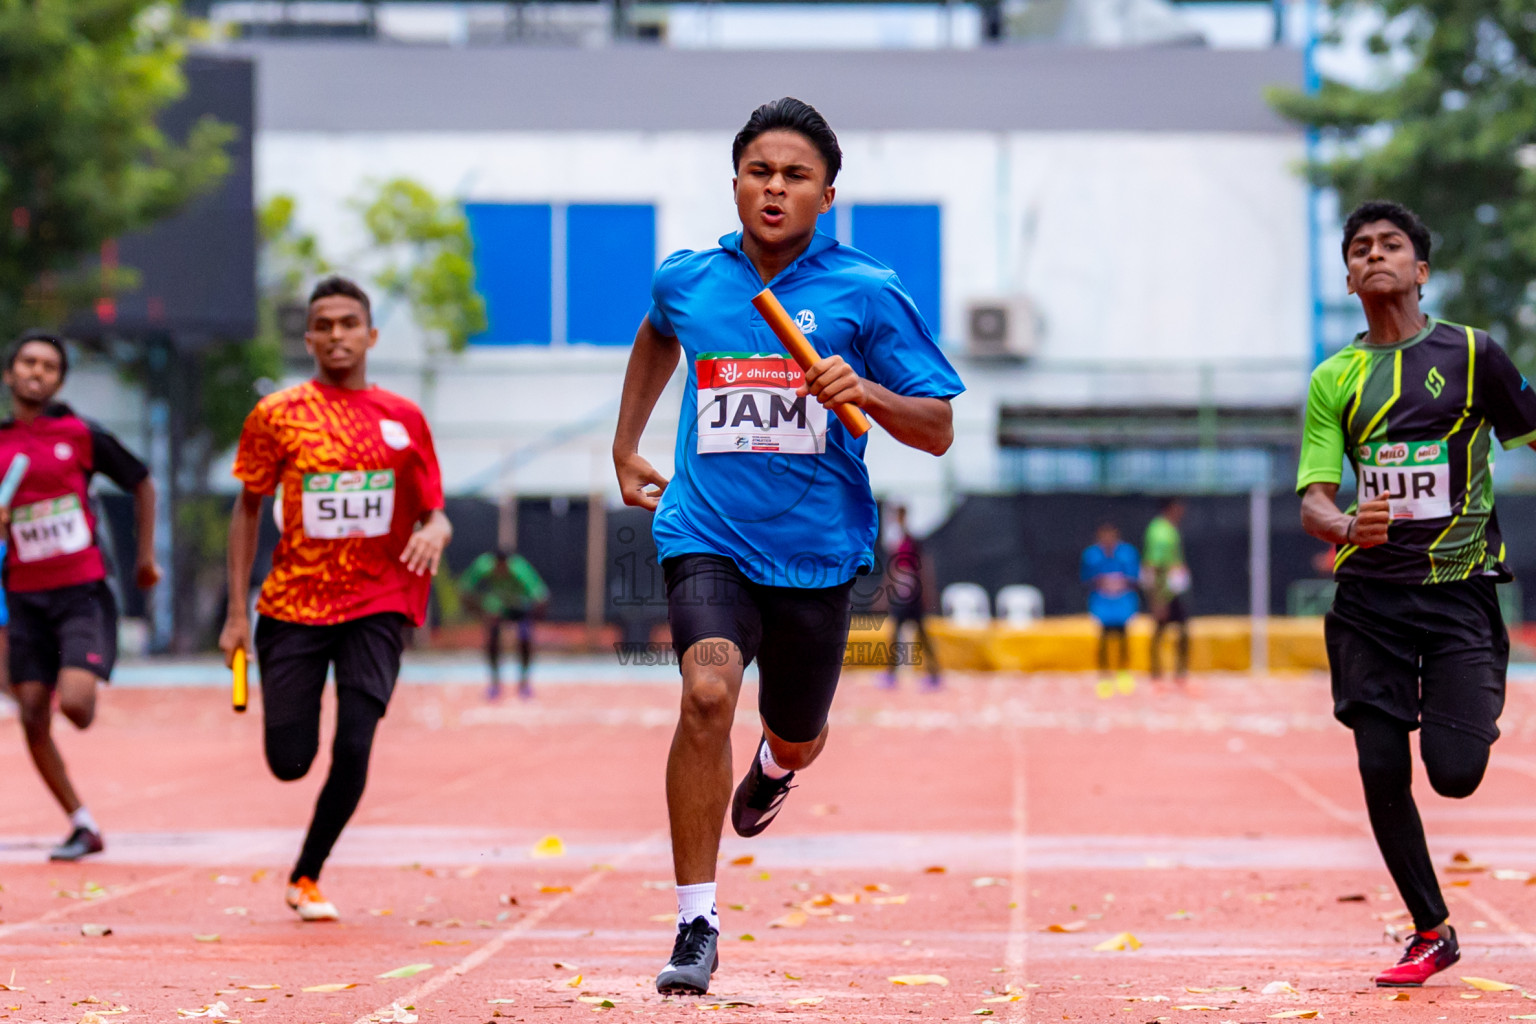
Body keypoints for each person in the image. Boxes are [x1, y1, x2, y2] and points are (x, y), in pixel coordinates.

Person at [612, 97, 963, 995]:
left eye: (795, 175)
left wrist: (870, 392)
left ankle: (774, 769)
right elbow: (658, 332)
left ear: (827, 195)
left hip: (815, 553)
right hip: (706, 533)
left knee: (797, 734)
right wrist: (626, 444)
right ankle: (696, 922)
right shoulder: (690, 278)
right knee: (704, 690)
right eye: (759, 171)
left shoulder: (867, 293)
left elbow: (938, 430)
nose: (774, 188)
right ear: (735, 183)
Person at [1298, 200, 1536, 987]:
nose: (1374, 256)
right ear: (1347, 275)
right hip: (1369, 601)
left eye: (1390, 245)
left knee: (1455, 771)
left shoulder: (1473, 356)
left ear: (1421, 271)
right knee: (1377, 765)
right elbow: (1313, 501)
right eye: (1359, 248)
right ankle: (1431, 928)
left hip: (1460, 592)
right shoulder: (1335, 378)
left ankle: (1464, 701)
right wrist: (1344, 526)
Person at [219, 277, 451, 922]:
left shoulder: (404, 419)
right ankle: (302, 832)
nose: (337, 335)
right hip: (293, 604)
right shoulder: (277, 416)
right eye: (324, 324)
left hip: (378, 602)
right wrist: (238, 614)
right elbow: (247, 509)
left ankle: (307, 874)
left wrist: (434, 530)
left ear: (371, 335)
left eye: (350, 323)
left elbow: (436, 513)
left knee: (354, 744)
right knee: (290, 761)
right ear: (309, 338)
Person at [0, 330, 161, 861]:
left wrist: (144, 558)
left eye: (48, 366)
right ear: (10, 373)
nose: (36, 372)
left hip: (80, 591)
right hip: (23, 596)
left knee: (76, 705)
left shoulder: (81, 434)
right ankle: (81, 821)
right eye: (28, 362)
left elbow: (141, 480)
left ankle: (67, 679)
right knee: (29, 713)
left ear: (60, 380)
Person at [459, 545, 549, 700]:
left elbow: (541, 596)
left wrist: (533, 616)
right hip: (497, 606)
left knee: (525, 639)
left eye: (504, 568)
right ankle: (495, 684)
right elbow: (464, 589)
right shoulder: (483, 566)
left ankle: (524, 683)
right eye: (498, 568)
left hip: (520, 605)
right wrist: (480, 608)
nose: (501, 571)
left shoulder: (519, 569)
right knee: (492, 640)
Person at [879, 504, 940, 691]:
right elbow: (893, 570)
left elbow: (922, 569)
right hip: (901, 596)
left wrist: (927, 594)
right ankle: (891, 674)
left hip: (913, 597)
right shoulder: (896, 542)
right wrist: (886, 594)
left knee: (921, 635)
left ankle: (933, 674)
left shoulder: (911, 541)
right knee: (895, 635)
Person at [1080, 522, 1139, 696]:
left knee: (1123, 638)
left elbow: (1134, 577)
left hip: (1122, 602)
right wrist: (1102, 582)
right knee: (1104, 639)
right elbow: (1086, 578)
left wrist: (1119, 583)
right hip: (1102, 603)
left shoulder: (1127, 553)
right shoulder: (1091, 555)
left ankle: (1123, 672)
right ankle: (1105, 675)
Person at [1142, 497, 1190, 684]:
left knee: (1169, 629)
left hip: (1171, 588)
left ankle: (1165, 670)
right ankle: (1161, 670)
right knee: (1170, 629)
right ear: (1172, 508)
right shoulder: (1161, 532)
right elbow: (1153, 565)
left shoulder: (1166, 529)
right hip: (1165, 590)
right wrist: (1157, 598)